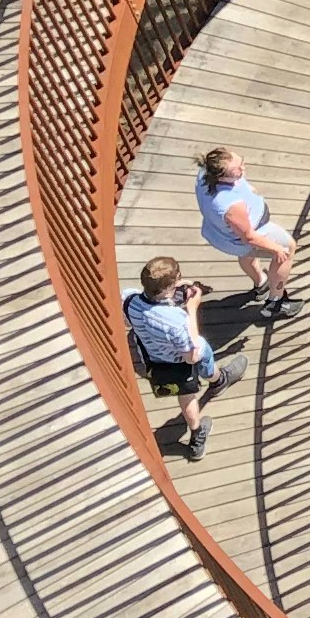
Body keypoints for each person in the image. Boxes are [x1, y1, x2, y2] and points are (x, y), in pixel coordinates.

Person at [124, 256, 245, 462]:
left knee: (184, 395)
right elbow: (192, 355)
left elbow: (128, 323)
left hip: (154, 359)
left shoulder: (128, 298)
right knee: (201, 364)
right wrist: (192, 309)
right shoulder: (176, 321)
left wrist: (172, 290)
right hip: (180, 361)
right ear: (168, 288)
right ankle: (218, 381)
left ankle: (197, 437)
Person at [193, 146, 296, 319]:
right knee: (287, 248)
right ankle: (275, 303)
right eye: (236, 170)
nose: (243, 170)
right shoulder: (230, 205)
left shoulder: (205, 172)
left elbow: (239, 185)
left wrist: (248, 189)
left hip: (221, 234)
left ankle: (261, 283)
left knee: (247, 255)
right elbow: (249, 236)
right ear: (221, 177)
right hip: (246, 235)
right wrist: (276, 249)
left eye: (241, 162)